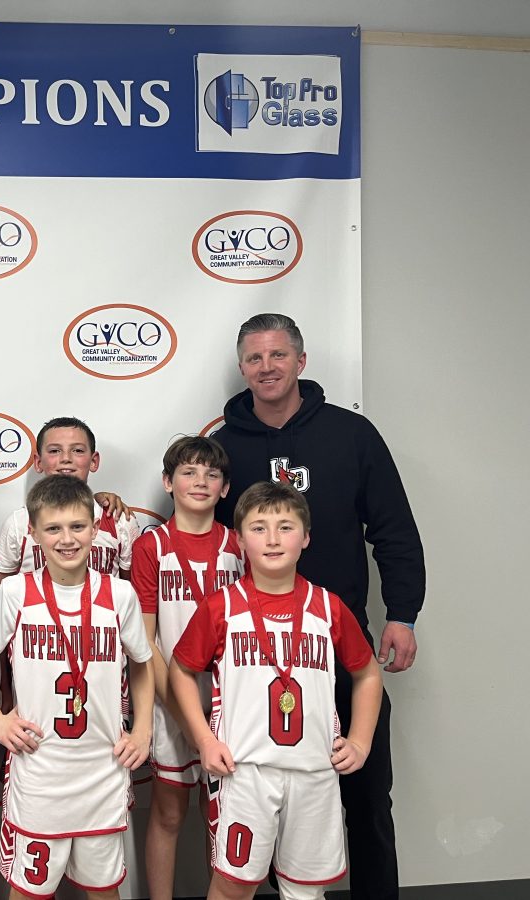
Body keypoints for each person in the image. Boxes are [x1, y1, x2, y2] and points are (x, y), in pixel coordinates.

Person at [213, 313, 425, 900]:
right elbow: (196, 531)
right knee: (255, 801)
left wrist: (402, 613)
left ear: (301, 361)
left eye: (278, 355)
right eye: (255, 358)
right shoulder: (223, 448)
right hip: (254, 658)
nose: (267, 367)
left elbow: (394, 531)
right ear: (242, 368)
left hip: (339, 645)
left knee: (366, 795)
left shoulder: (352, 435)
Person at [170, 482, 383, 900]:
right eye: (259, 527)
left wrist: (360, 741)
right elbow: (181, 670)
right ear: (239, 539)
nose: (272, 539)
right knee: (232, 887)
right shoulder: (221, 606)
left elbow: (369, 674)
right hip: (244, 771)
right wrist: (205, 740)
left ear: (305, 538)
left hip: (315, 771)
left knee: (306, 892)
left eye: (285, 527)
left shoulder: (327, 607)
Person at [0, 475, 154, 900]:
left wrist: (143, 729)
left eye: (77, 527)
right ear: (33, 533)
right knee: (29, 893)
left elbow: (142, 663)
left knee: (104, 891)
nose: (67, 539)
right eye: (53, 528)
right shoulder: (16, 592)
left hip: (102, 770)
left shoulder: (119, 594)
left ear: (96, 529)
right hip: (39, 773)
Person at [131, 436, 244, 900]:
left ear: (225, 488)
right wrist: (182, 713)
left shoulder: (240, 544)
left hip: (230, 702)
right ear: (167, 482)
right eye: (188, 472)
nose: (200, 481)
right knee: (169, 813)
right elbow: (145, 641)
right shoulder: (151, 546)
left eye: (211, 474)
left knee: (223, 814)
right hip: (171, 700)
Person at [0, 416, 140, 581]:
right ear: (38, 462)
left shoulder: (120, 521)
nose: (66, 458)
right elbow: (7, 587)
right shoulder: (18, 523)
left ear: (93, 461)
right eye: (54, 451)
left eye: (77, 450)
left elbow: (130, 586)